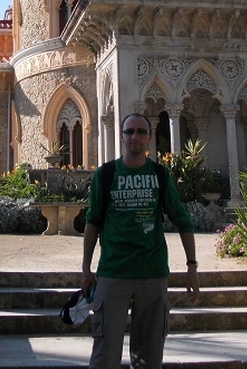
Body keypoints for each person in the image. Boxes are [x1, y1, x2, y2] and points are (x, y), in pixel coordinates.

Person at [81, 113, 200, 369]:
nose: (134, 136)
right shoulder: (106, 174)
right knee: (104, 354)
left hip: (152, 274)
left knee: (149, 355)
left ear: (149, 137)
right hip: (114, 272)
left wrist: (192, 266)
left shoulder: (159, 175)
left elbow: (182, 219)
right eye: (129, 132)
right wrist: (86, 269)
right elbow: (93, 222)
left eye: (140, 131)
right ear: (122, 136)